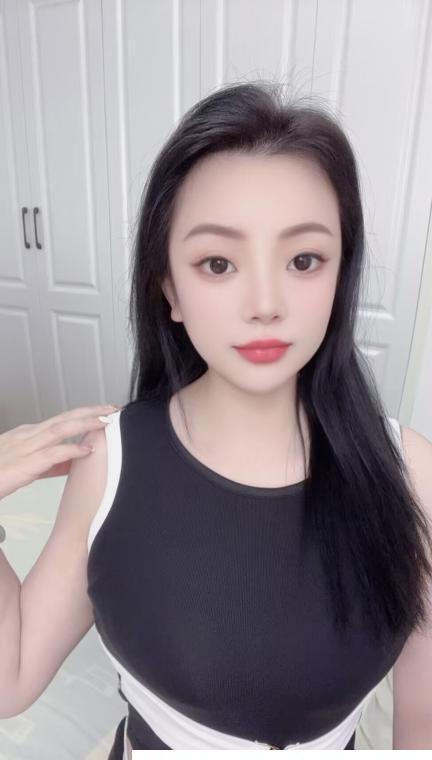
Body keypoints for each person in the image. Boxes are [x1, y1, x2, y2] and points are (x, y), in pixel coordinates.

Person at [1, 80, 432, 757]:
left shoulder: (409, 473)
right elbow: (12, 678)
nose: (265, 303)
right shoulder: (110, 461)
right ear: (169, 289)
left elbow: (422, 725)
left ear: (339, 276)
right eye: (218, 263)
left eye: (304, 260)